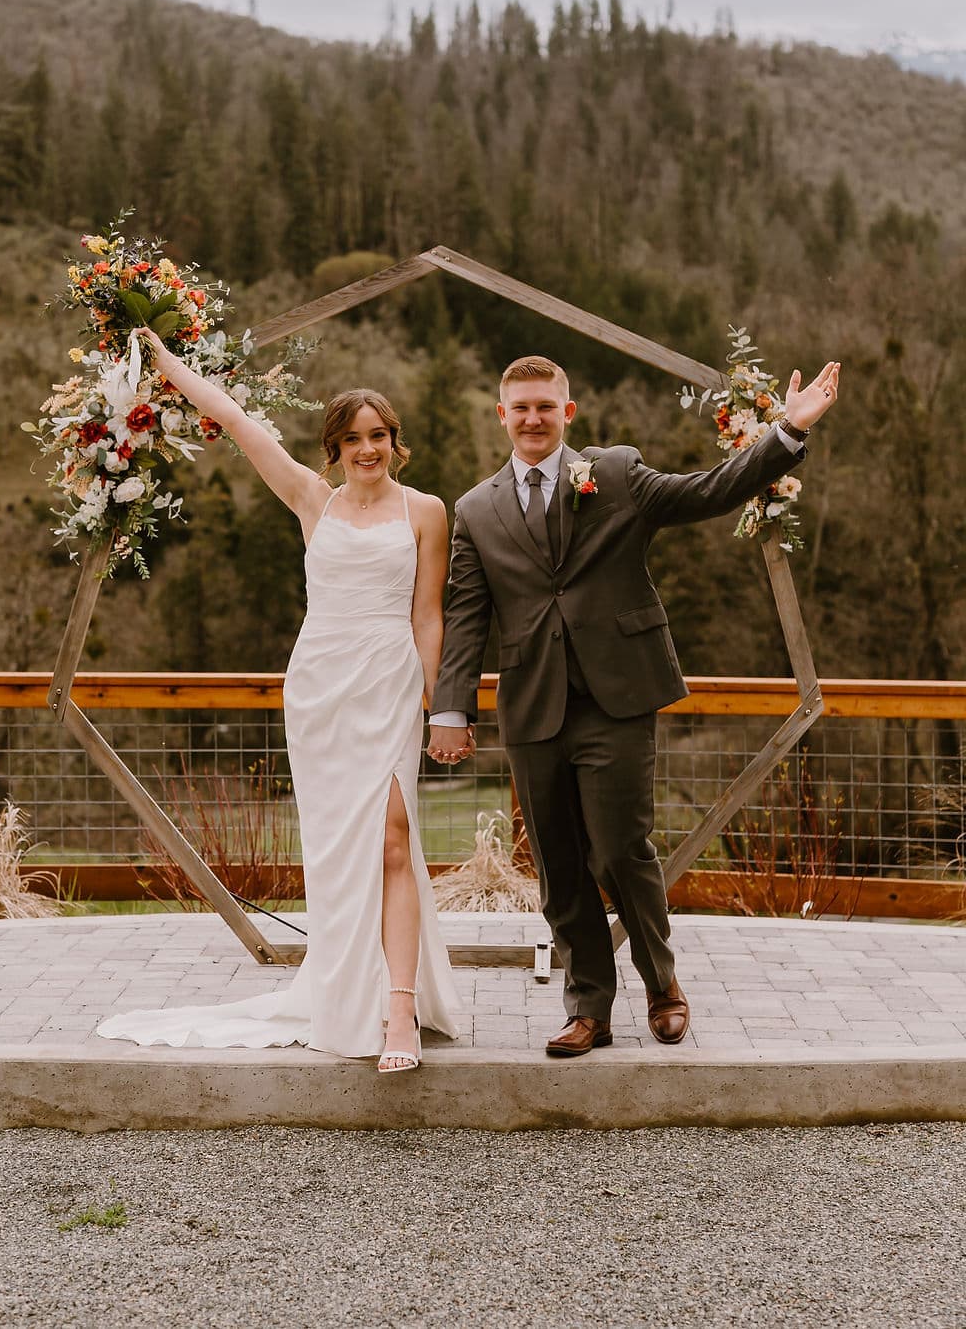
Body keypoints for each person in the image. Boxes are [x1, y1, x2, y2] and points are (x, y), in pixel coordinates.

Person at [428, 353, 840, 1055]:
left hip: (617, 697)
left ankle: (662, 984)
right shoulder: (474, 510)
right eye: (520, 407)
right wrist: (450, 708)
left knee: (622, 848)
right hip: (533, 705)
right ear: (501, 416)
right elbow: (467, 616)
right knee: (557, 866)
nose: (533, 418)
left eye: (545, 407)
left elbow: (708, 492)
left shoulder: (614, 473)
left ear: (568, 413)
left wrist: (785, 435)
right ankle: (589, 1008)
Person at [97, 327, 464, 1071]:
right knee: (339, 856)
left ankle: (398, 1011)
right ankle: (349, 989)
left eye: (381, 436)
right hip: (322, 688)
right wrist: (168, 364)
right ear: (334, 448)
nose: (369, 449)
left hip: (389, 681)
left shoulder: (426, 511)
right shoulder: (311, 498)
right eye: (355, 438)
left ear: (396, 442)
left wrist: (442, 706)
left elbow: (429, 614)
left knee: (394, 839)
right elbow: (235, 421)